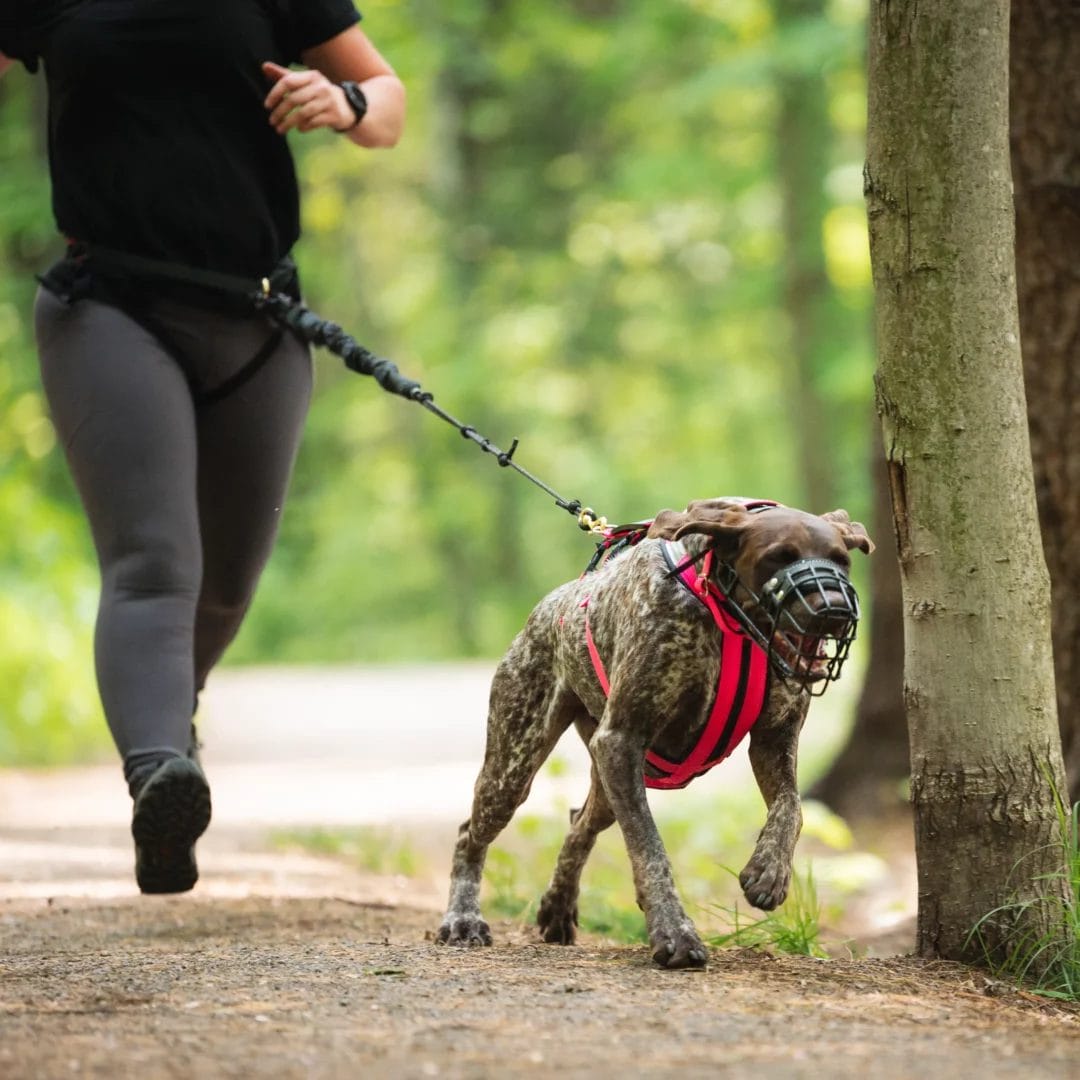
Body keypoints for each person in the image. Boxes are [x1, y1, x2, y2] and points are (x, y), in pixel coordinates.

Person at [0, 3, 405, 894]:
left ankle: (168, 744)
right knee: (153, 563)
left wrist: (340, 101)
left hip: (259, 317)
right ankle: (157, 772)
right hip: (109, 306)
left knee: (223, 586)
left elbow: (387, 99)